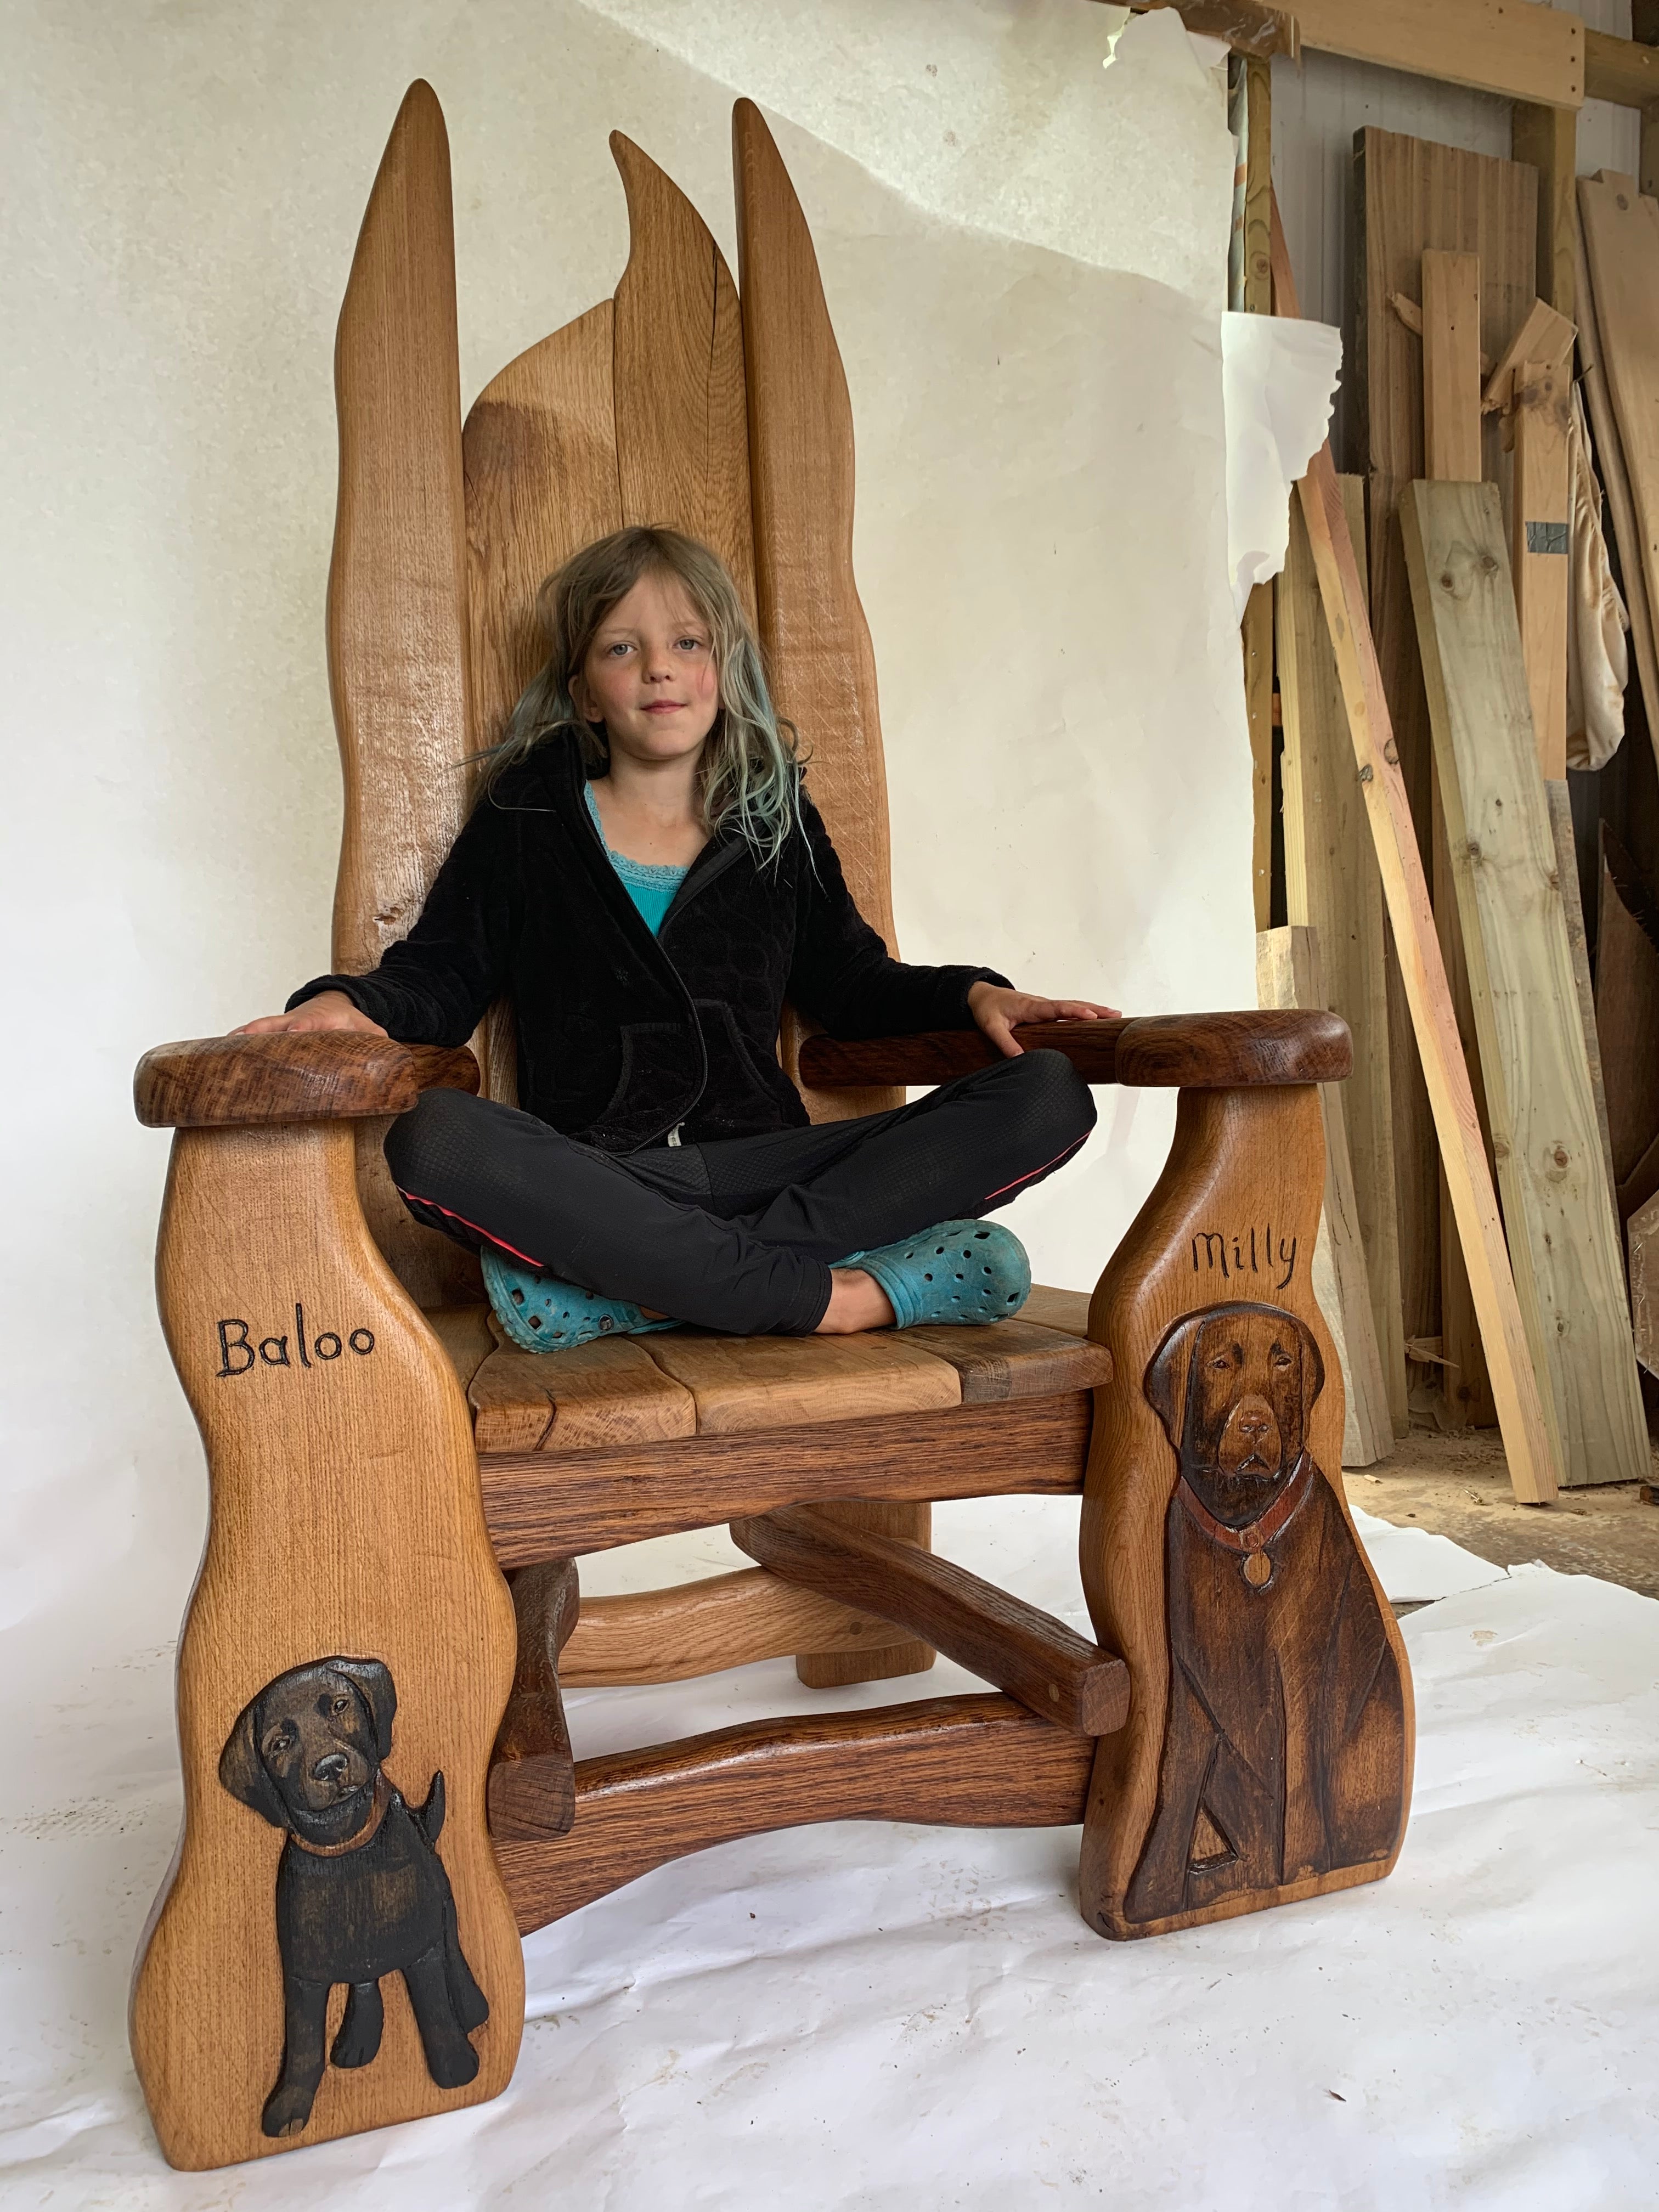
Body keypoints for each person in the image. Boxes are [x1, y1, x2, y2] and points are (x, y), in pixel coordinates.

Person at [236, 527, 1115, 1351]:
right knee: (434, 1138)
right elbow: (441, 973)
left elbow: (851, 982)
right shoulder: (525, 816)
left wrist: (974, 994)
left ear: (723, 667)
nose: (659, 668)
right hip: (611, 1182)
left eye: (688, 643)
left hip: (776, 1170)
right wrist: (346, 1002)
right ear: (585, 691)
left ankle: (645, 1297)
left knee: (1047, 1092)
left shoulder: (778, 822)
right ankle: (834, 1299)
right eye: (622, 648)